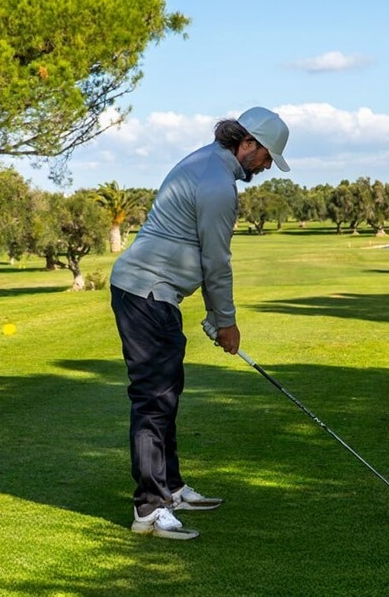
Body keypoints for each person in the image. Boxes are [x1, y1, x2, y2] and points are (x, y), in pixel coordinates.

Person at [110, 106, 291, 540]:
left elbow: (204, 257)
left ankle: (170, 488)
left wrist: (215, 316)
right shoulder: (217, 184)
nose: (268, 166)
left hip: (155, 295)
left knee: (167, 394)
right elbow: (216, 262)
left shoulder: (208, 163)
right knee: (153, 400)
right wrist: (225, 322)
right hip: (146, 294)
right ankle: (150, 508)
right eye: (268, 156)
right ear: (247, 144)